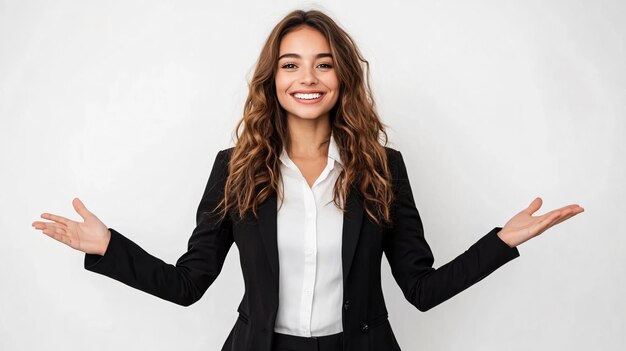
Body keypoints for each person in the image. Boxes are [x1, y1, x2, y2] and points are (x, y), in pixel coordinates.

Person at [31, 9, 584, 351]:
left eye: (323, 63)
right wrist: (108, 248)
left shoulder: (383, 169)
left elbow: (422, 290)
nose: (307, 78)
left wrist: (502, 242)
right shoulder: (237, 169)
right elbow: (188, 285)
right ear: (272, 79)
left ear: (342, 75)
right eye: (291, 64)